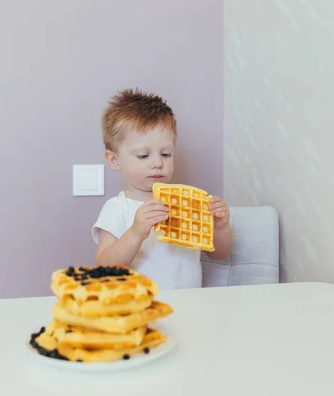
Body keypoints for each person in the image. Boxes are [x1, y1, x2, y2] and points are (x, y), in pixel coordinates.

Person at [91, 88, 233, 289]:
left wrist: (220, 227)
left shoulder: (187, 205)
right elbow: (103, 268)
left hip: (191, 304)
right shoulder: (117, 208)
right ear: (114, 160)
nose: (157, 163)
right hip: (140, 309)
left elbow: (219, 253)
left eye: (166, 154)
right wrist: (135, 233)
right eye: (143, 155)